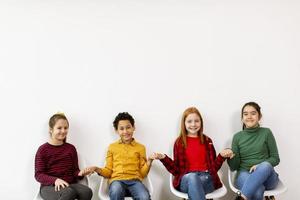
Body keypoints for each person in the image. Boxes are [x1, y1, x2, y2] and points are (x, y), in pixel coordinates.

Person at [151, 107, 233, 200]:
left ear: (201, 122)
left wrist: (221, 156)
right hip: (186, 180)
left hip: (206, 179)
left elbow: (214, 168)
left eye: (196, 121)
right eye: (189, 121)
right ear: (184, 123)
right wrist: (163, 158)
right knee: (192, 177)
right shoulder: (179, 142)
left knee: (196, 184)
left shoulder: (207, 141)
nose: (193, 124)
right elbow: (176, 171)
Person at [87, 112, 153, 200]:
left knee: (144, 196)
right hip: (117, 181)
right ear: (116, 130)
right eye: (121, 129)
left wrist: (149, 161)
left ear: (133, 128)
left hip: (135, 182)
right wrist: (96, 169)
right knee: (116, 190)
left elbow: (142, 173)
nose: (125, 131)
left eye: (128, 127)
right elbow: (108, 172)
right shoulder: (112, 147)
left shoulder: (141, 148)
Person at [227, 102, 280, 200]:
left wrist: (259, 166)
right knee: (257, 190)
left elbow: (275, 158)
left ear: (259, 116)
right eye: (245, 114)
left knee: (265, 165)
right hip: (244, 174)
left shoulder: (266, 132)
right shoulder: (237, 137)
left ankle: (242, 197)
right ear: (242, 118)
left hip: (268, 178)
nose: (249, 117)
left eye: (253, 113)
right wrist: (231, 156)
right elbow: (234, 167)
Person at [34, 113, 93, 200]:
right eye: (59, 128)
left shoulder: (71, 148)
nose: (63, 131)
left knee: (87, 192)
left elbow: (74, 171)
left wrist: (80, 173)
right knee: (68, 193)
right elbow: (39, 175)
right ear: (51, 130)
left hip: (69, 184)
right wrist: (55, 180)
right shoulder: (43, 150)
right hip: (49, 187)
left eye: (65, 128)